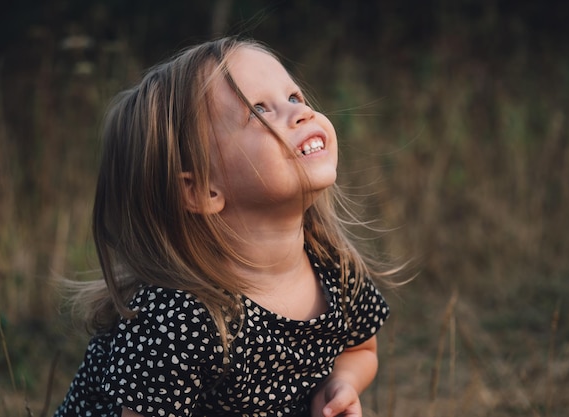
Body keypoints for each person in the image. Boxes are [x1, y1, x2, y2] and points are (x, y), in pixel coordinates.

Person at [53, 37, 390, 417]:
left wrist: (340, 383)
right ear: (200, 189)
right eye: (259, 111)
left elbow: (359, 349)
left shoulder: (332, 264)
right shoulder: (178, 317)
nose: (301, 114)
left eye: (295, 97)